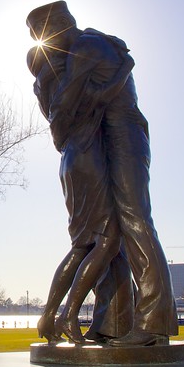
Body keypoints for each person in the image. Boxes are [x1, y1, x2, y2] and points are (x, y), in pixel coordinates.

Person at [27, 1, 177, 346]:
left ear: (57, 29)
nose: (43, 43)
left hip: (122, 134)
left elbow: (64, 105)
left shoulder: (87, 46)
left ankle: (154, 324)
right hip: (100, 138)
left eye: (42, 34)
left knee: (134, 220)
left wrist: (66, 121)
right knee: (109, 239)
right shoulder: (85, 50)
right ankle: (113, 325)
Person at [28, 44, 130, 344]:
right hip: (88, 156)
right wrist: (126, 66)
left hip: (70, 161)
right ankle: (68, 315)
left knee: (82, 246)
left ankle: (47, 316)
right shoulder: (67, 82)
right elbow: (101, 95)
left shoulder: (44, 88)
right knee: (109, 240)